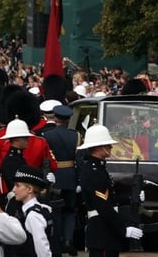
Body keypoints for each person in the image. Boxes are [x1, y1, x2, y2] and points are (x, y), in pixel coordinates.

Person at [78, 124, 143, 257]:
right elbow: (104, 207)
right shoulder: (94, 172)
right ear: (99, 147)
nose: (111, 147)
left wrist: (132, 197)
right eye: (107, 145)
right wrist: (122, 229)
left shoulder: (98, 168)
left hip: (105, 232)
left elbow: (109, 199)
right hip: (102, 232)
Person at [40, 104, 79, 255]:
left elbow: (47, 159)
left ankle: (57, 241)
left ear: (55, 118)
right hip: (70, 176)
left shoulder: (47, 135)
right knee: (70, 211)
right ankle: (68, 239)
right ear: (68, 120)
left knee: (56, 211)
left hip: (55, 176)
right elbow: (78, 159)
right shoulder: (75, 135)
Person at [9, 166, 54, 257]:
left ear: (29, 189)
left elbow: (42, 249)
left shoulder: (33, 216)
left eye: (17, 185)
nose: (14, 189)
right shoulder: (40, 209)